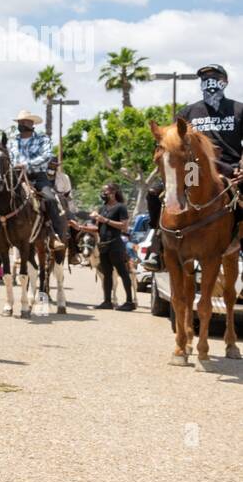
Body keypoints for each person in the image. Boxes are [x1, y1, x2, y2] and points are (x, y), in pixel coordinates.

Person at [145, 63, 243, 269]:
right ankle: (157, 243)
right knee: (155, 194)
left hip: (232, 170)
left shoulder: (239, 109)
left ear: (224, 82)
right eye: (205, 79)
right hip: (193, 171)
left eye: (215, 77)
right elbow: (173, 144)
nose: (210, 82)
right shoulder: (188, 112)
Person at [7, 109, 68, 253]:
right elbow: (11, 156)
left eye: (25, 121)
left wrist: (26, 164)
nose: (22, 124)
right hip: (16, 177)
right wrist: (16, 165)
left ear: (32, 123)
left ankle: (54, 235)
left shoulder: (43, 139)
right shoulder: (12, 141)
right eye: (20, 122)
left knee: (51, 199)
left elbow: (46, 157)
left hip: (38, 177)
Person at [72, 183, 135, 310]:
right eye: (103, 192)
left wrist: (104, 220)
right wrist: (80, 227)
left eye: (105, 192)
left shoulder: (120, 207)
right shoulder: (103, 208)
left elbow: (124, 226)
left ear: (113, 193)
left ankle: (129, 302)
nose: (103, 194)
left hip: (115, 244)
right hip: (103, 245)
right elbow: (97, 228)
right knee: (107, 273)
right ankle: (107, 301)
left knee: (123, 272)